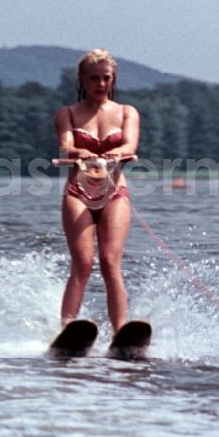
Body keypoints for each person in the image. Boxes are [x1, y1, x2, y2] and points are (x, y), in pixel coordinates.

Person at [55, 49, 140, 333]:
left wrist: (115, 153)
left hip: (115, 192)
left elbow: (130, 145)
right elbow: (66, 145)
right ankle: (66, 329)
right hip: (78, 193)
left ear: (113, 79)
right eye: (94, 79)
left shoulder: (127, 112)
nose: (101, 84)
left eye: (106, 78)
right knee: (82, 263)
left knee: (109, 262)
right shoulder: (67, 114)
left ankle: (121, 332)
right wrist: (82, 152)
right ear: (81, 80)